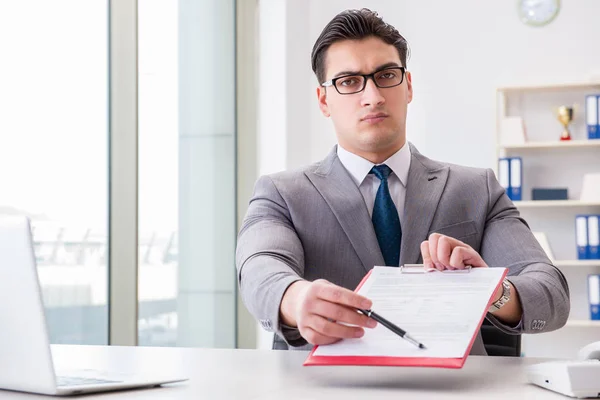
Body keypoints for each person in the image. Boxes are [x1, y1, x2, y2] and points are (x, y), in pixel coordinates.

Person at [236, 8, 569, 353]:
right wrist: (294, 297)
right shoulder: (282, 194)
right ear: (324, 101)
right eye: (349, 81)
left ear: (407, 86)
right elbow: (259, 268)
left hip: (455, 390)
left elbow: (551, 293)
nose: (373, 96)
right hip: (328, 386)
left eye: (386, 75)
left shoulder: (476, 189)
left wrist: (491, 289)